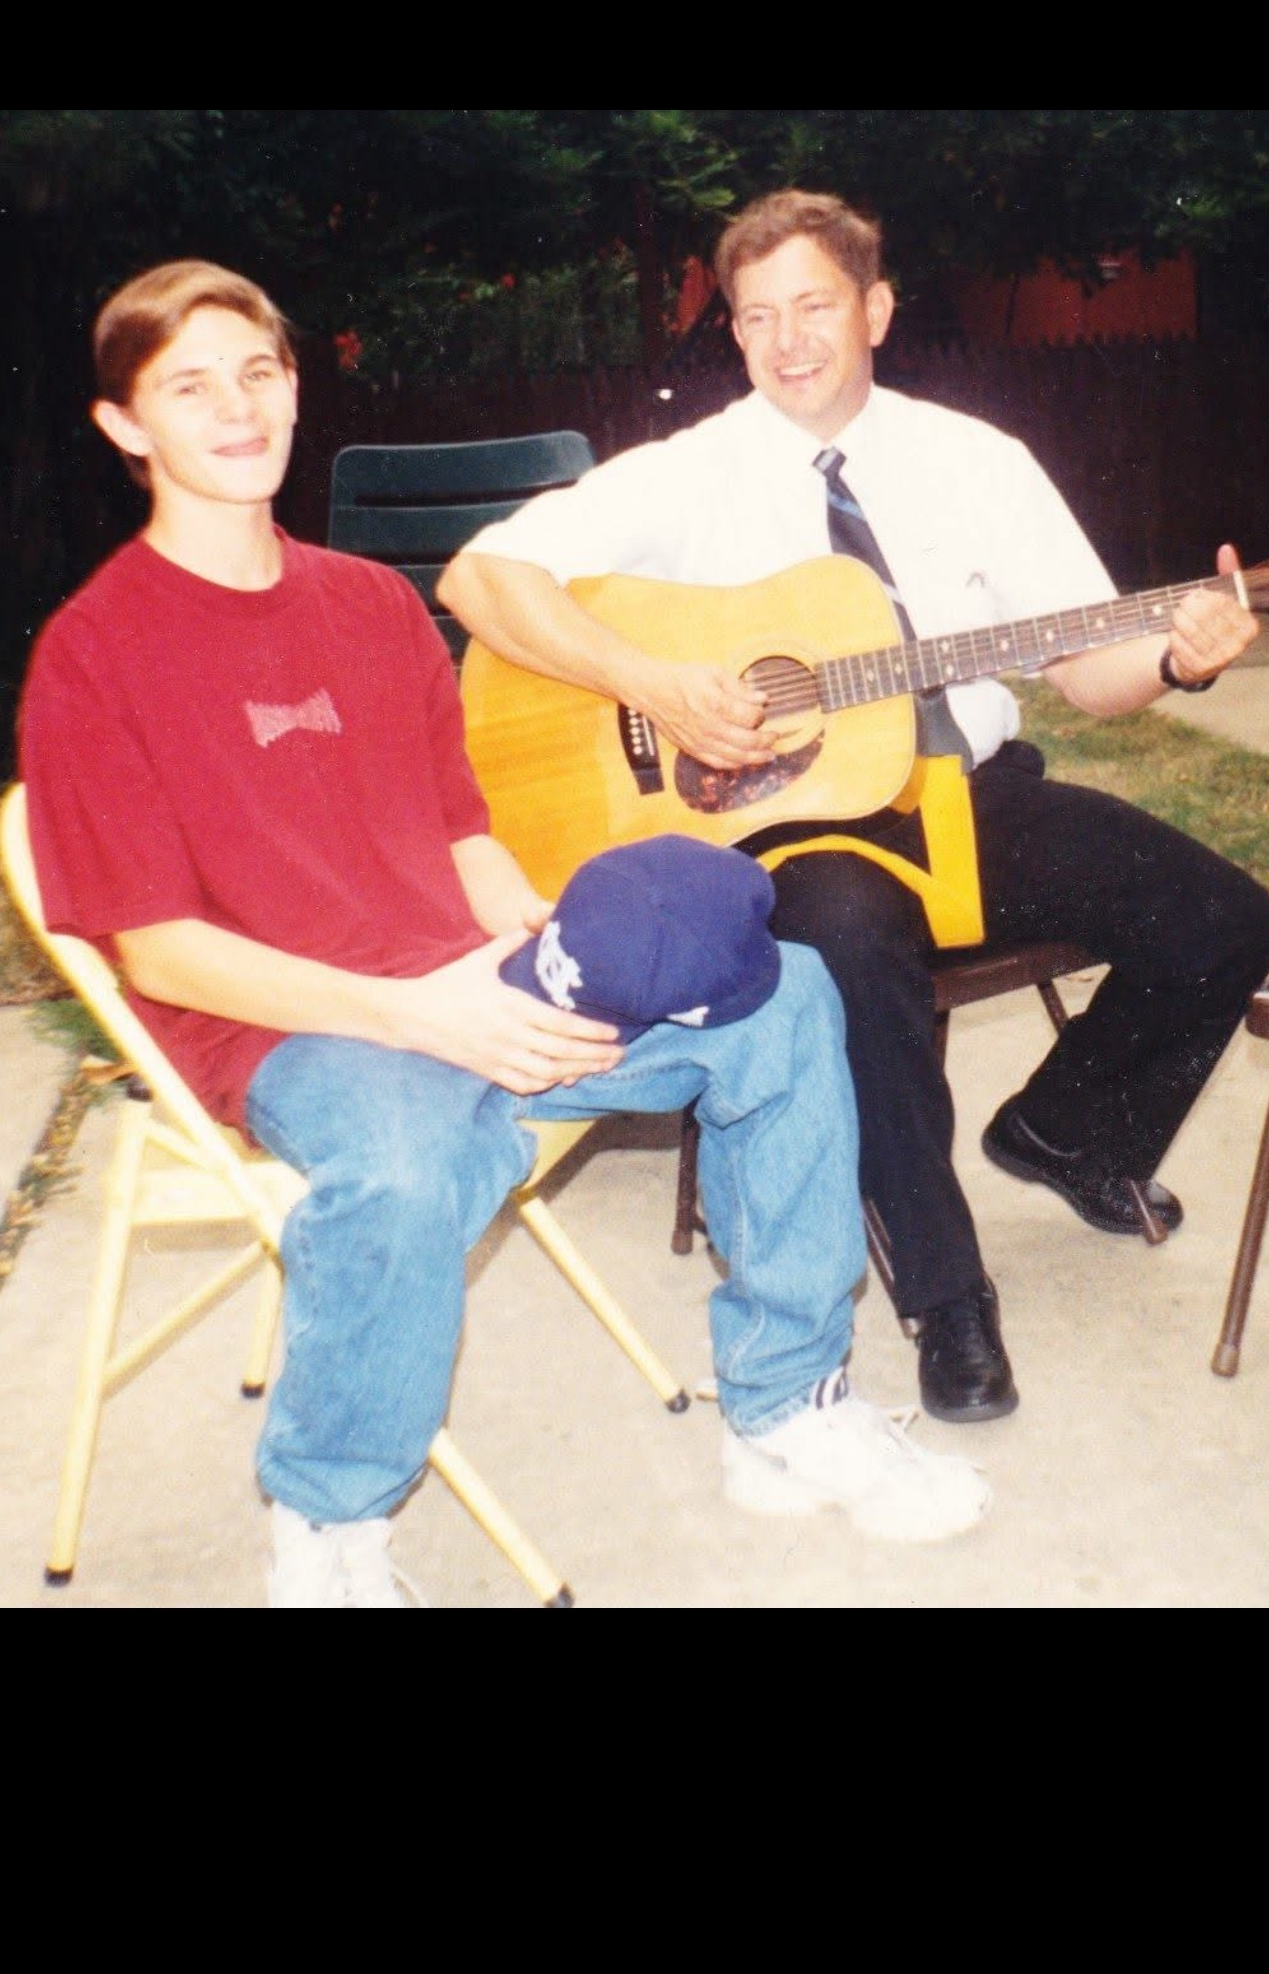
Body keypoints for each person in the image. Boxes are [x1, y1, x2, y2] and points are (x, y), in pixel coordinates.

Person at [17, 258, 992, 1610]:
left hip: (472, 981)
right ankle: (333, 1522)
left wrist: (537, 943)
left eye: (258, 372)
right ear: (128, 428)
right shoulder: (93, 652)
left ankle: (785, 1409)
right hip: (288, 1030)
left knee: (783, 998)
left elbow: (462, 836)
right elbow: (161, 953)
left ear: (294, 387)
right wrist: (422, 1018)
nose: (237, 409)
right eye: (189, 387)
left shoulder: (368, 605)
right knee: (412, 1160)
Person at [438, 188, 1269, 1428]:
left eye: (815, 307)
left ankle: (1070, 1135)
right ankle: (946, 1299)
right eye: (757, 315)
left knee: (1224, 918)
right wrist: (655, 682)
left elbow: (1090, 677)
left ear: (877, 310)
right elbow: (480, 576)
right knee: (848, 936)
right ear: (732, 332)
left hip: (966, 794)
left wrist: (1178, 655)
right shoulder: (687, 472)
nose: (787, 341)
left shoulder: (979, 463)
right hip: (787, 828)